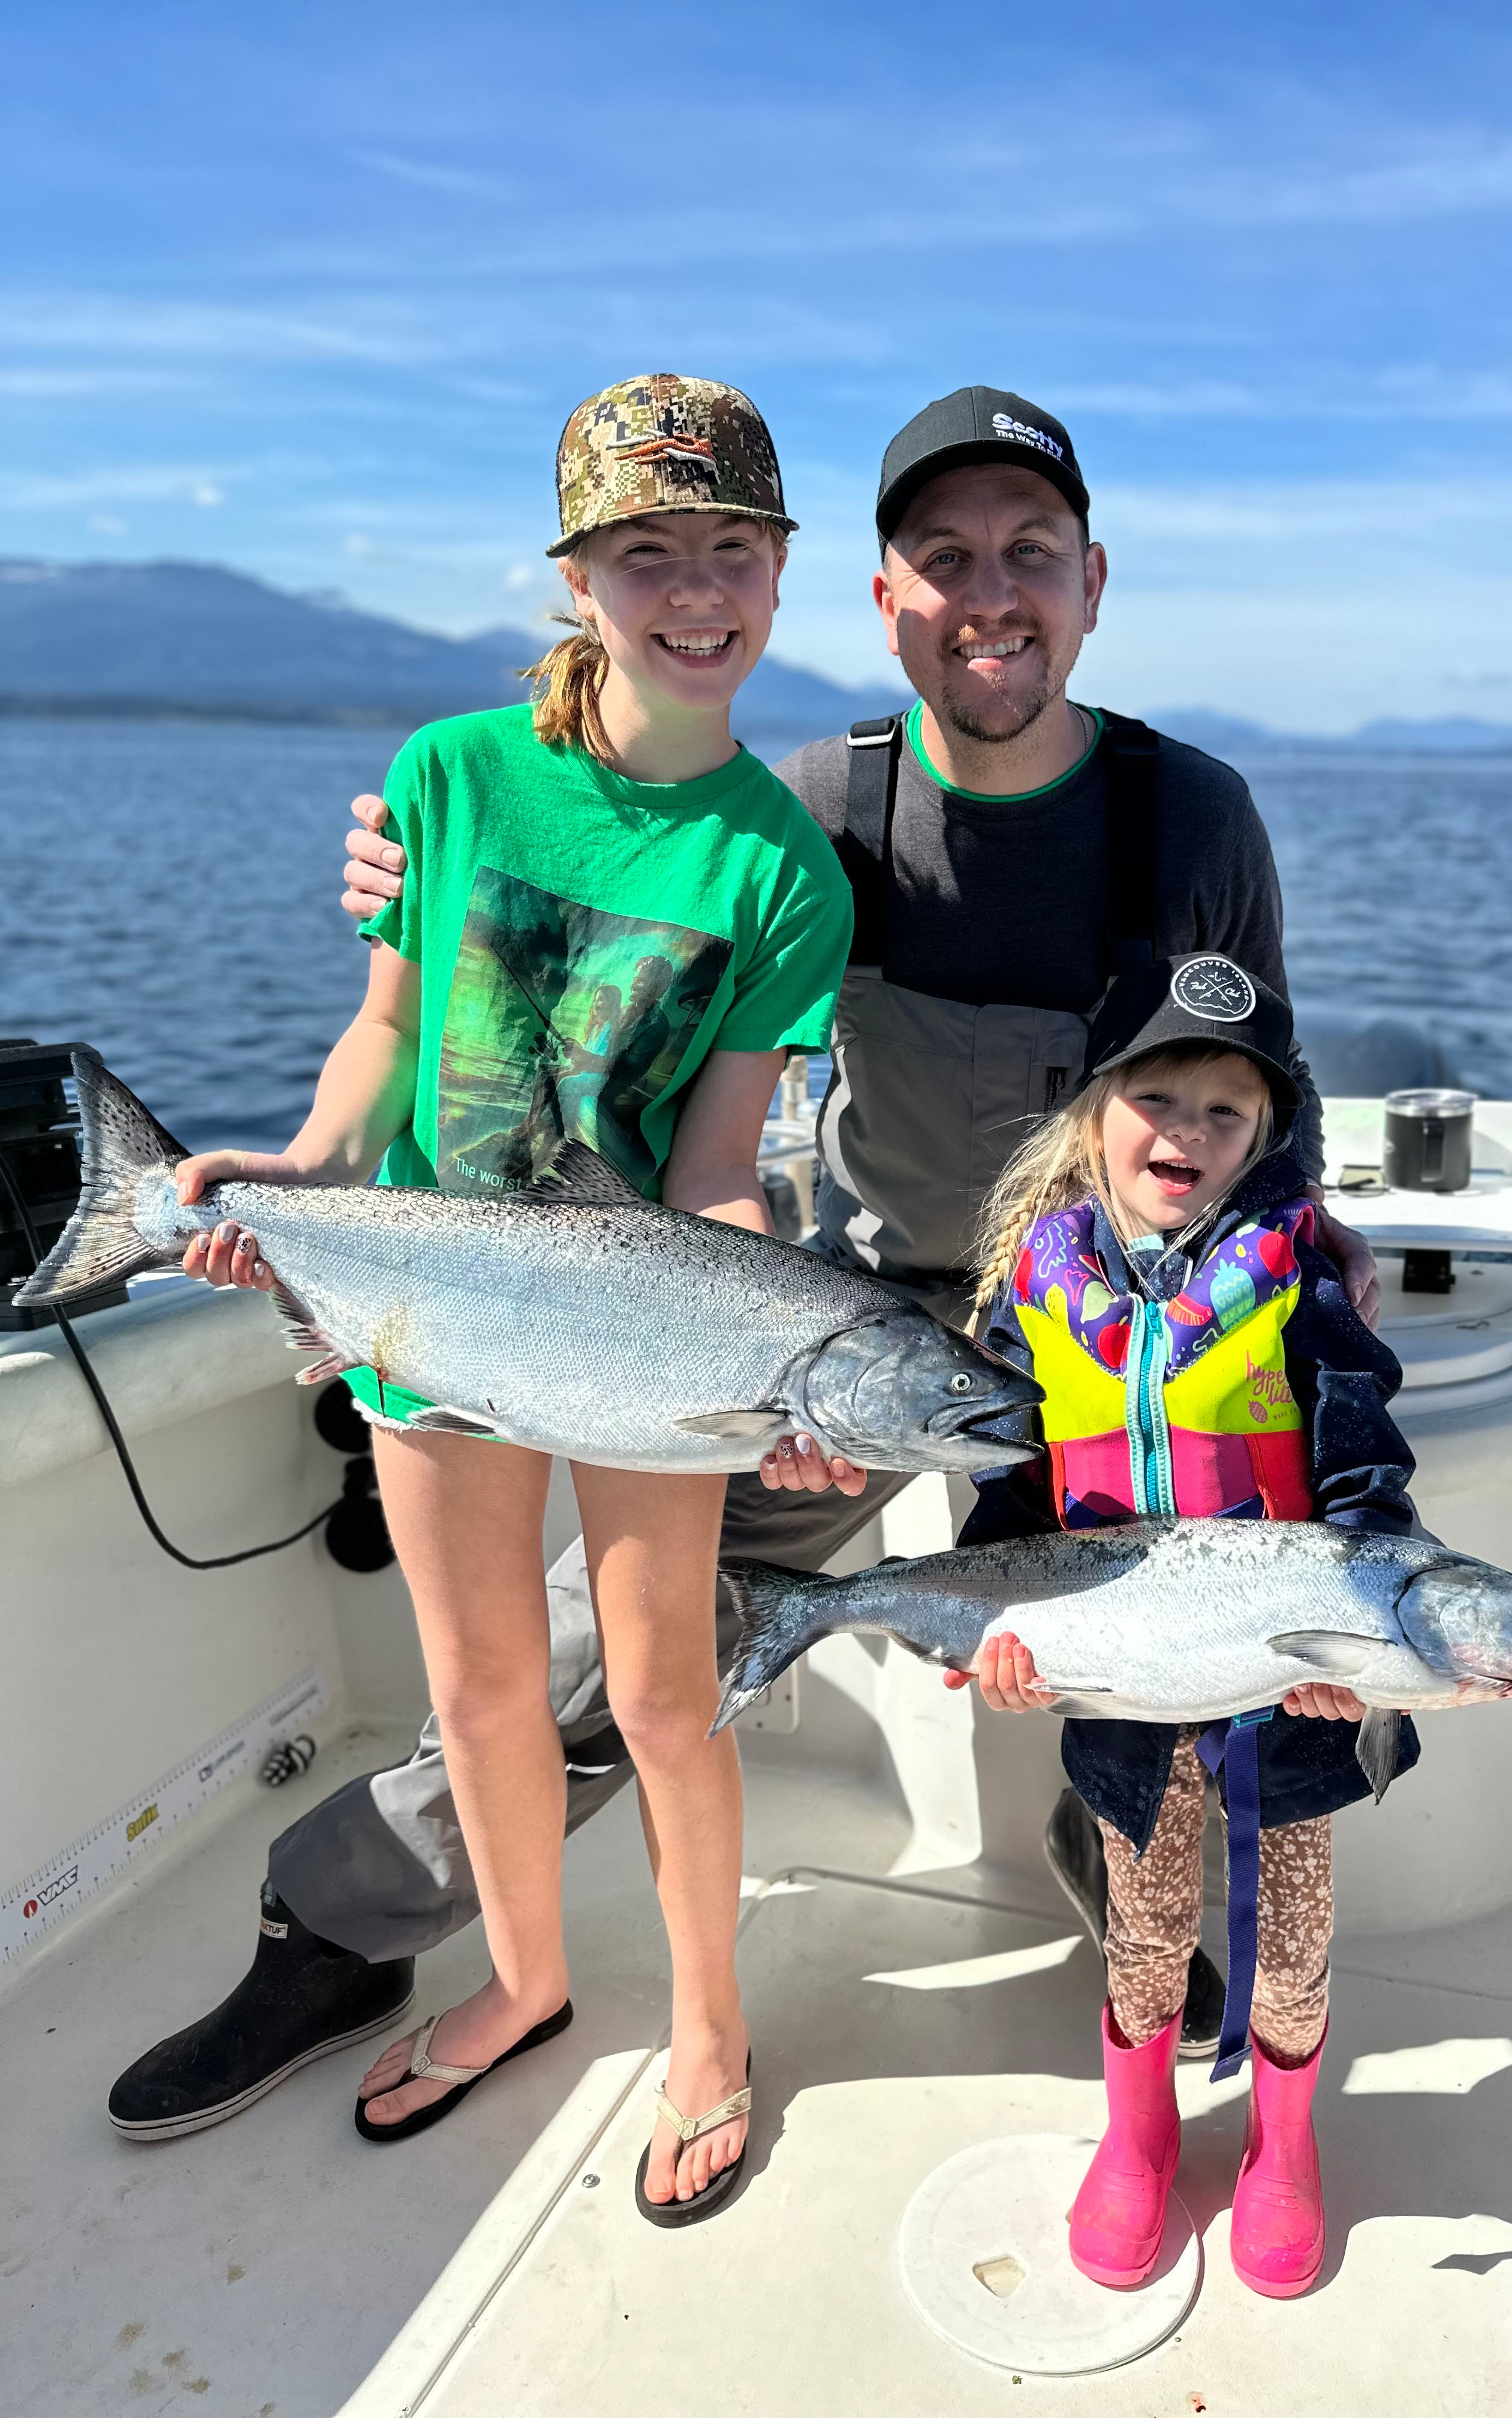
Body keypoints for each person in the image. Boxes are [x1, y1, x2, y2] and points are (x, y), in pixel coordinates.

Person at [110, 385, 1380, 2133]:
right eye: (946, 558)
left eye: (1030, 555)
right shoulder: (811, 811)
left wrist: (1316, 1264)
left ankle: (1142, 1906)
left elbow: (1256, 1085)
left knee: (1185, 1616)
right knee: (589, 1663)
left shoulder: (1194, 818)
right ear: (882, 599)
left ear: (1092, 583)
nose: (990, 592)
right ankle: (349, 1919)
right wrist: (393, 871)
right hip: (846, 1318)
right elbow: (573, 851)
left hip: (1112, 1337)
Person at [109, 375, 853, 2227]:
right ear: (579, 577)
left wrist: (770, 1332)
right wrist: (295, 1171)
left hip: (638, 1334)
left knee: (671, 1703)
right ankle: (524, 1980)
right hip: (429, 1305)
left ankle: (708, 2031)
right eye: (647, 554)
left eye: (731, 552)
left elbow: (718, 1162)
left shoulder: (784, 865)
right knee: (479, 1687)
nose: (697, 592)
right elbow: (381, 1031)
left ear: (779, 570)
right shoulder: (450, 773)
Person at [956, 953, 1421, 2296]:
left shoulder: (1304, 1281)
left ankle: (1283, 2148)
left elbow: (1363, 1483)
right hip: (1119, 1678)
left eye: (1228, 1111)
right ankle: (1141, 2131)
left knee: (1293, 1933)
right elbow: (1011, 1488)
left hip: (1292, 1683)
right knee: (1145, 1923)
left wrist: (1367, 1656)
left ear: (1268, 1134)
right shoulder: (1035, 1289)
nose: (1188, 1132)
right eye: (1156, 1096)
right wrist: (998, 1630)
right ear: (1093, 1111)